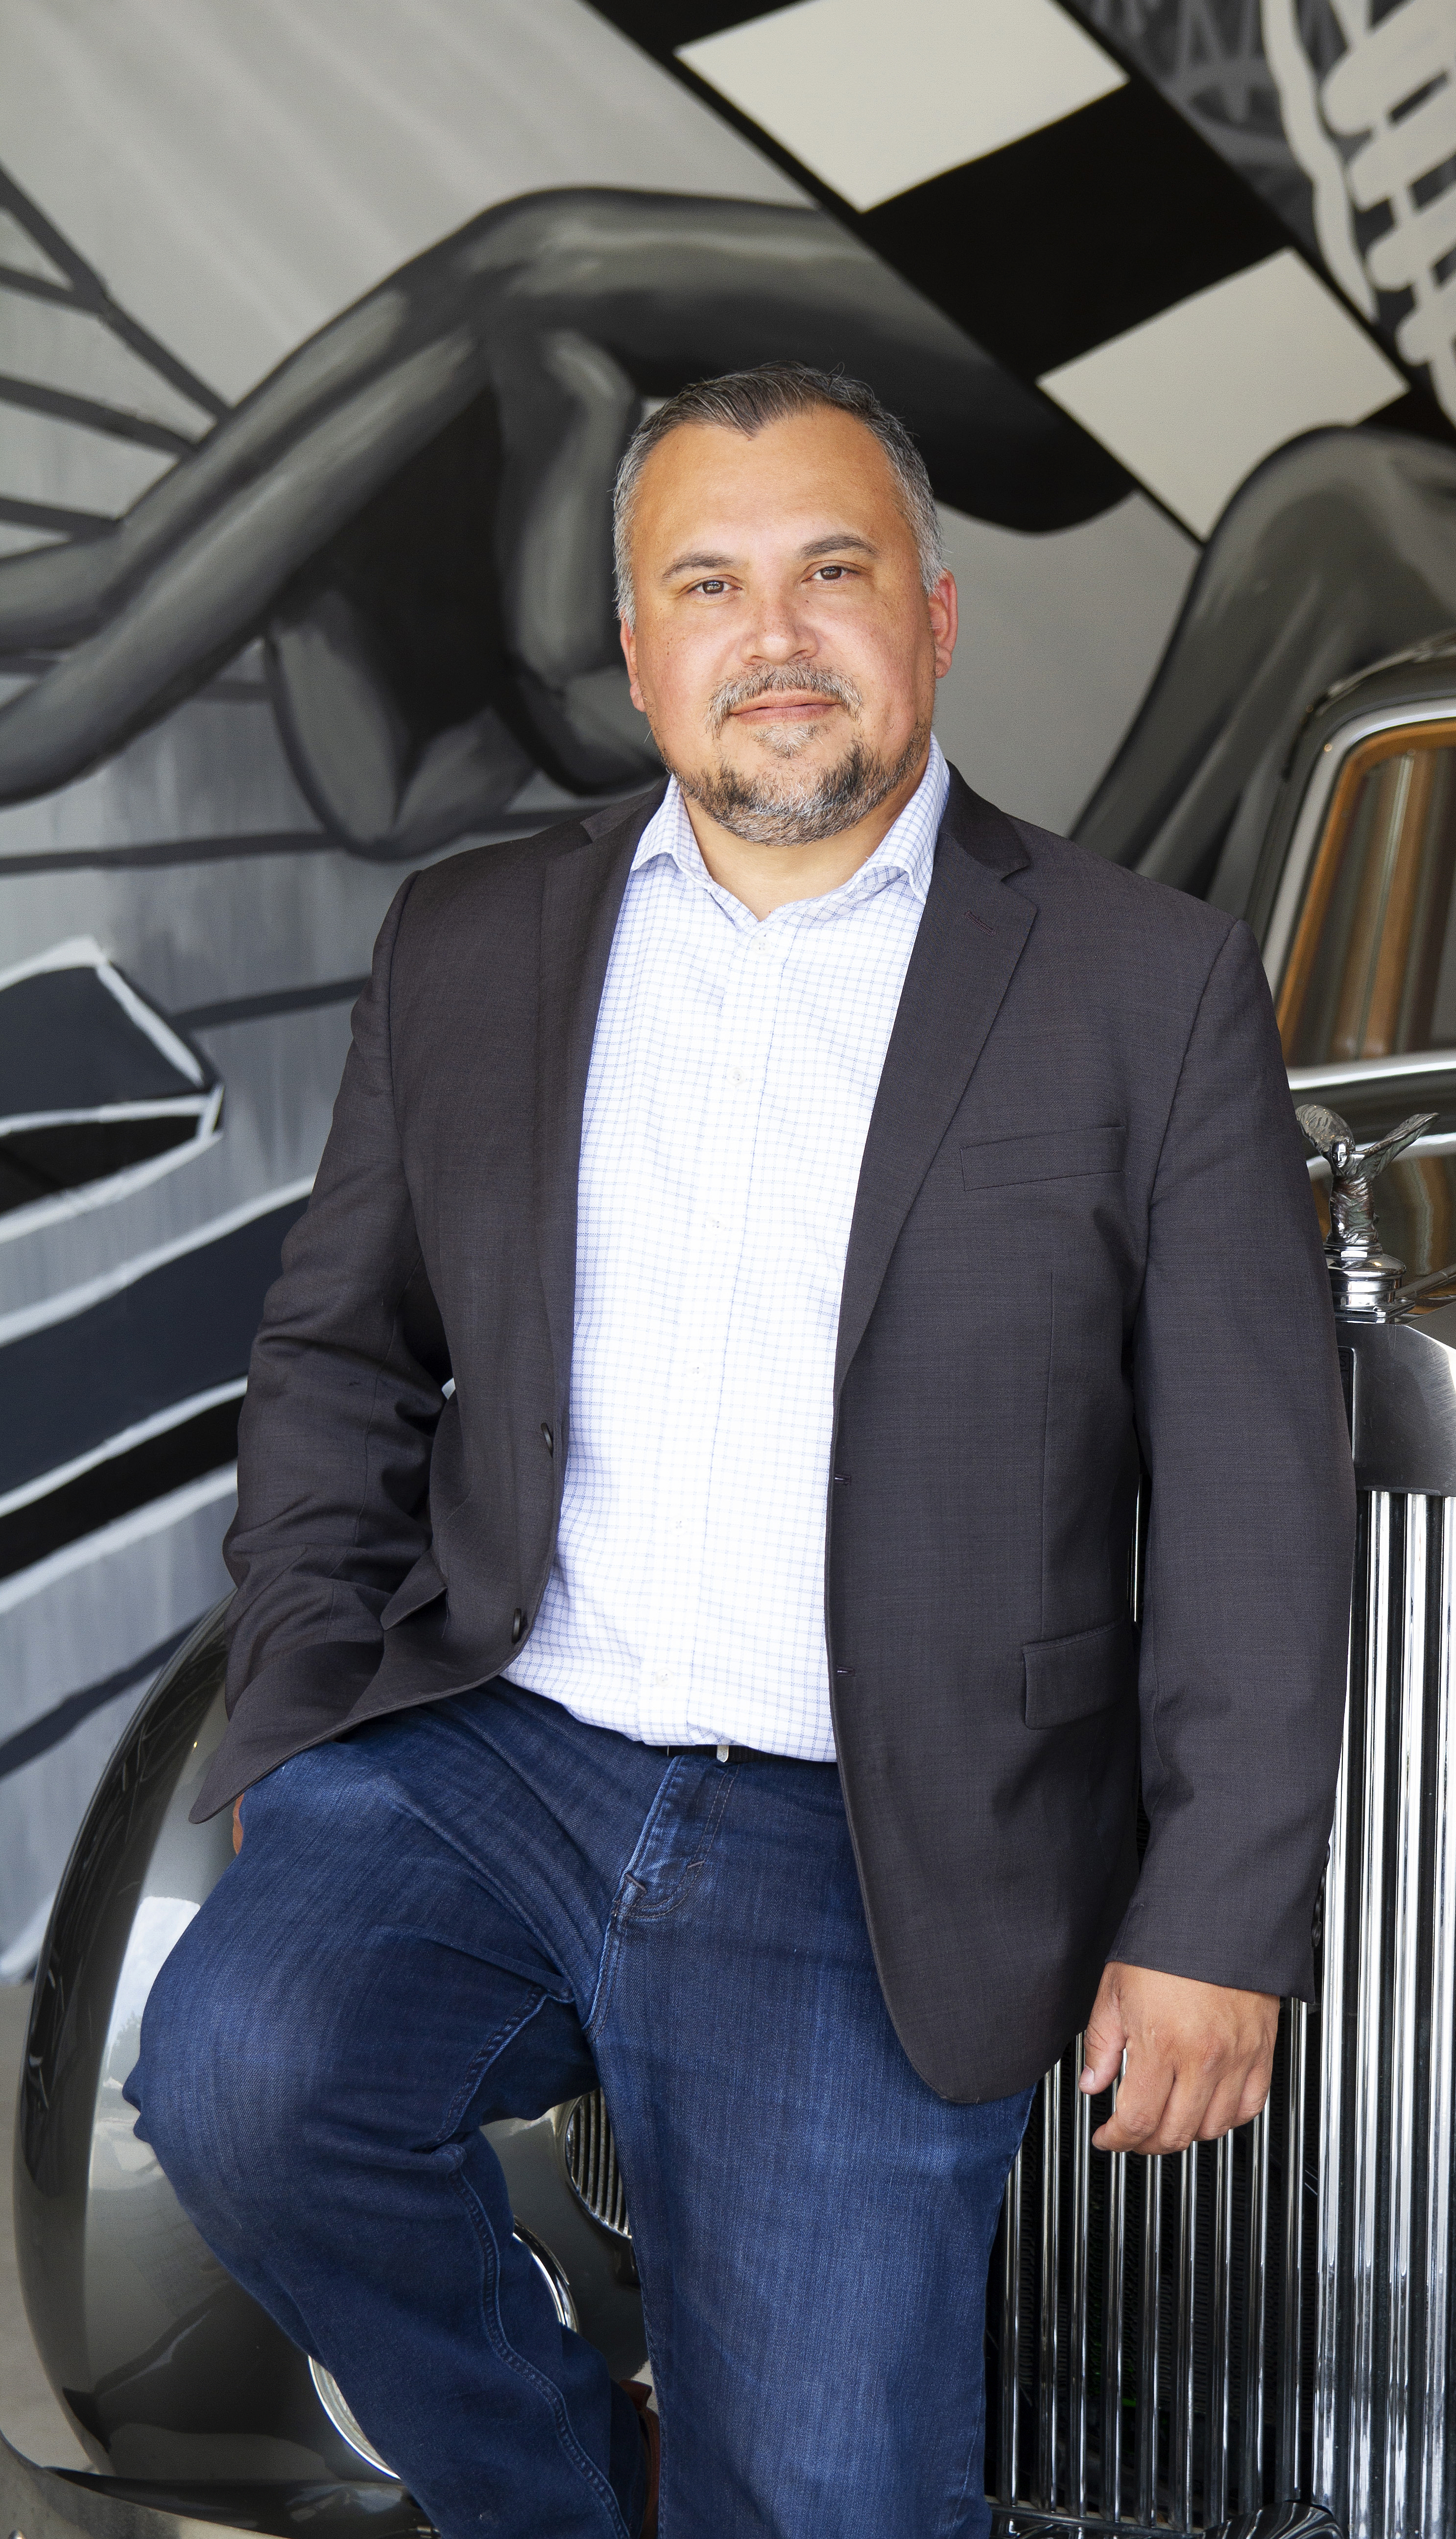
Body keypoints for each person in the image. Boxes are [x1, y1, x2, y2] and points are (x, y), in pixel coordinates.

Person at [127, 362, 1356, 2539]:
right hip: (508, 1749)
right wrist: (304, 1739)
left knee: (824, 2507)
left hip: (868, 1838)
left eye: (829, 572)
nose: (771, 638)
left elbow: (1256, 1480)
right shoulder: (474, 943)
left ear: (935, 617)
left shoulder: (1143, 985)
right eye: (708, 583)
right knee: (237, 2075)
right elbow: (336, 1356)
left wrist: (1217, 1920)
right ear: (639, 648)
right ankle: (574, 2497)